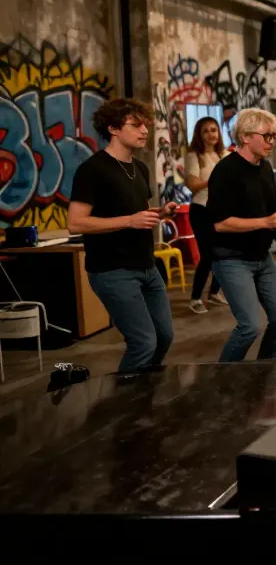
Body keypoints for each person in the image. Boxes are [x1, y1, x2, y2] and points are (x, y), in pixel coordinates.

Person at [69, 98, 177, 373]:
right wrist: (130, 220)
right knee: (143, 342)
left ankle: (142, 395)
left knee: (164, 336)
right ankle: (122, 406)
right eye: (136, 125)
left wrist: (159, 213)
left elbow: (136, 213)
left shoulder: (139, 168)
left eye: (145, 125)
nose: (144, 131)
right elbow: (75, 223)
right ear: (113, 129)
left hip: (147, 266)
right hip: (112, 270)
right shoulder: (93, 170)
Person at [207, 109, 276, 362]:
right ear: (245, 136)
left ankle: (264, 372)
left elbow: (272, 200)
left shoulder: (264, 167)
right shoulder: (225, 170)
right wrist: (267, 221)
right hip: (231, 258)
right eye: (266, 136)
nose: (271, 142)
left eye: (274, 136)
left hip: (262, 256)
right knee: (250, 326)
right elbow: (220, 223)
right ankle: (221, 378)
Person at [183, 116, 229, 314]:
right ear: (199, 135)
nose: (211, 134)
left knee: (224, 252)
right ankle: (195, 298)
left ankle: (214, 293)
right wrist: (215, 180)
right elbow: (192, 185)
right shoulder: (194, 155)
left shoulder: (225, 155)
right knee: (208, 255)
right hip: (201, 210)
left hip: (221, 211)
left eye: (214, 130)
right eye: (206, 131)